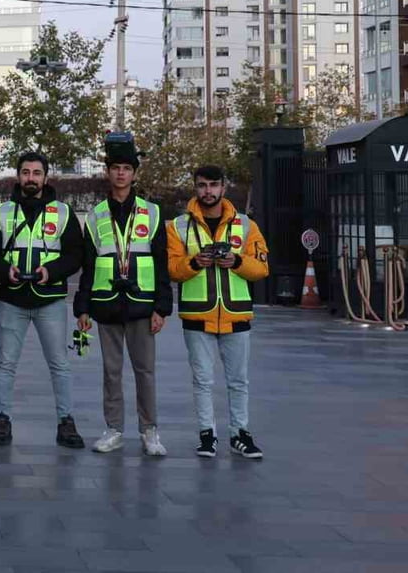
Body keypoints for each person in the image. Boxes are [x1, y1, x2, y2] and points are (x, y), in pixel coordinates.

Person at [0, 151, 85, 449]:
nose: (31, 178)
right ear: (18, 176)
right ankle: (2, 420)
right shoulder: (0, 212)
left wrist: (50, 271)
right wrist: (3, 270)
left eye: (37, 173)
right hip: (12, 298)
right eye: (26, 172)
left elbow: (76, 254)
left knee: (59, 364)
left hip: (49, 299)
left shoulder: (63, 213)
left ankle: (66, 422)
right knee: (5, 364)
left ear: (46, 177)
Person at [75, 136, 172, 457]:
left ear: (134, 174)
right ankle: (114, 429)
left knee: (145, 371)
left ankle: (150, 431)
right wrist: (83, 307)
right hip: (106, 305)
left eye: (126, 168)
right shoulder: (96, 215)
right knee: (111, 371)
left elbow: (161, 263)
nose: (120, 174)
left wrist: (162, 307)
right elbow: (88, 265)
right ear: (107, 171)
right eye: (115, 168)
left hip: (143, 305)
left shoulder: (152, 213)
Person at [167, 165, 270, 459]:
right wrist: (195, 262)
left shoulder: (247, 225)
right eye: (202, 185)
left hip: (236, 313)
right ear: (195, 188)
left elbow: (262, 268)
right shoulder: (178, 226)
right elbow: (172, 270)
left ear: (224, 187)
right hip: (197, 314)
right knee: (202, 380)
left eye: (213, 185)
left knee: (239, 381)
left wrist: (236, 262)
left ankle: (240, 433)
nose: (208, 191)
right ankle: (207, 434)